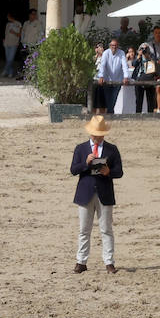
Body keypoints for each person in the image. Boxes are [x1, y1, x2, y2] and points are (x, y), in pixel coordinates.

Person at [69, 115, 122, 273]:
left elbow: (119, 172)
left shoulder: (112, 149)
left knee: (106, 229)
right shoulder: (81, 148)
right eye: (94, 134)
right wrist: (85, 164)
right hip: (86, 192)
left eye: (99, 135)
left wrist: (108, 172)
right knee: (84, 229)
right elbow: (73, 170)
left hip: (104, 192)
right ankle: (81, 261)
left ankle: (109, 262)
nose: (97, 137)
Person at [95, 38, 129, 114]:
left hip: (118, 80)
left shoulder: (121, 53)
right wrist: (101, 76)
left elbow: (124, 65)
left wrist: (126, 77)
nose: (114, 47)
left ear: (118, 46)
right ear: (110, 46)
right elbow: (103, 65)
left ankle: (110, 115)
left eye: (116, 45)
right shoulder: (106, 53)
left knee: (113, 99)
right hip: (107, 80)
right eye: (112, 45)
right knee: (108, 99)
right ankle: (110, 114)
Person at [130, 43, 156, 113]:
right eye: (142, 48)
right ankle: (138, 115)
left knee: (150, 100)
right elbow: (133, 64)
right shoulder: (139, 57)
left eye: (146, 48)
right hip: (139, 80)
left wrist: (148, 57)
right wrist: (139, 56)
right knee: (139, 100)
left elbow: (155, 65)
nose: (144, 50)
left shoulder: (152, 56)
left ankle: (150, 115)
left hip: (149, 79)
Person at [1, 10, 22, 78]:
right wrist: (4, 40)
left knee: (10, 59)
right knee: (8, 59)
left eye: (8, 16)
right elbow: (5, 34)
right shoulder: (8, 24)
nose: (7, 17)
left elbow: (20, 35)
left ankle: (5, 70)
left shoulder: (18, 24)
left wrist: (13, 32)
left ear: (11, 16)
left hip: (14, 44)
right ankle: (10, 72)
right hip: (7, 43)